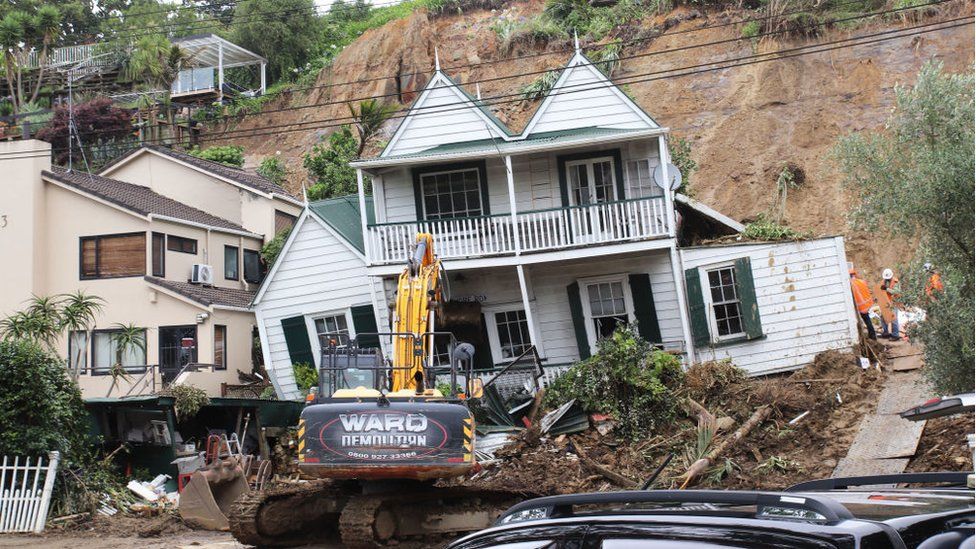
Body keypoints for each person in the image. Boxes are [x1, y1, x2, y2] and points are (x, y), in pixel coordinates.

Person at [849, 269, 876, 340]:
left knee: (865, 321)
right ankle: (872, 336)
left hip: (860, 306)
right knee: (867, 320)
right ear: (854, 274)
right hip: (867, 303)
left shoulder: (851, 284)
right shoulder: (861, 281)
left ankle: (871, 336)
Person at [880, 268, 900, 341]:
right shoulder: (884, 281)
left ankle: (895, 335)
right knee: (883, 317)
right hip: (886, 302)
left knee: (893, 318)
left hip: (894, 302)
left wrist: (887, 289)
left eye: (888, 278)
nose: (887, 279)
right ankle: (885, 333)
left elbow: (896, 292)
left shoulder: (895, 282)